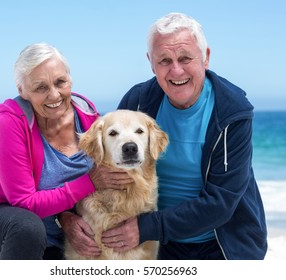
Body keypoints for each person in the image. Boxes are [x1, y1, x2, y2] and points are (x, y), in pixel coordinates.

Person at [99, 12, 268, 260]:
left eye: (185, 58)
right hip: (156, 243)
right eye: (164, 60)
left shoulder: (233, 113)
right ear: (151, 62)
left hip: (222, 242)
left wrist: (146, 227)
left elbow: (221, 203)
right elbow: (106, 165)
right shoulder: (136, 103)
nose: (176, 71)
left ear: (206, 57)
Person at [0, 42, 132, 260]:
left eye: (61, 82)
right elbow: (24, 203)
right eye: (41, 87)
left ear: (70, 78)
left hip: (57, 228)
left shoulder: (87, 115)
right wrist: (90, 182)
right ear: (22, 91)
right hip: (2, 215)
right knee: (28, 228)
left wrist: (66, 216)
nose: (54, 95)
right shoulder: (10, 123)